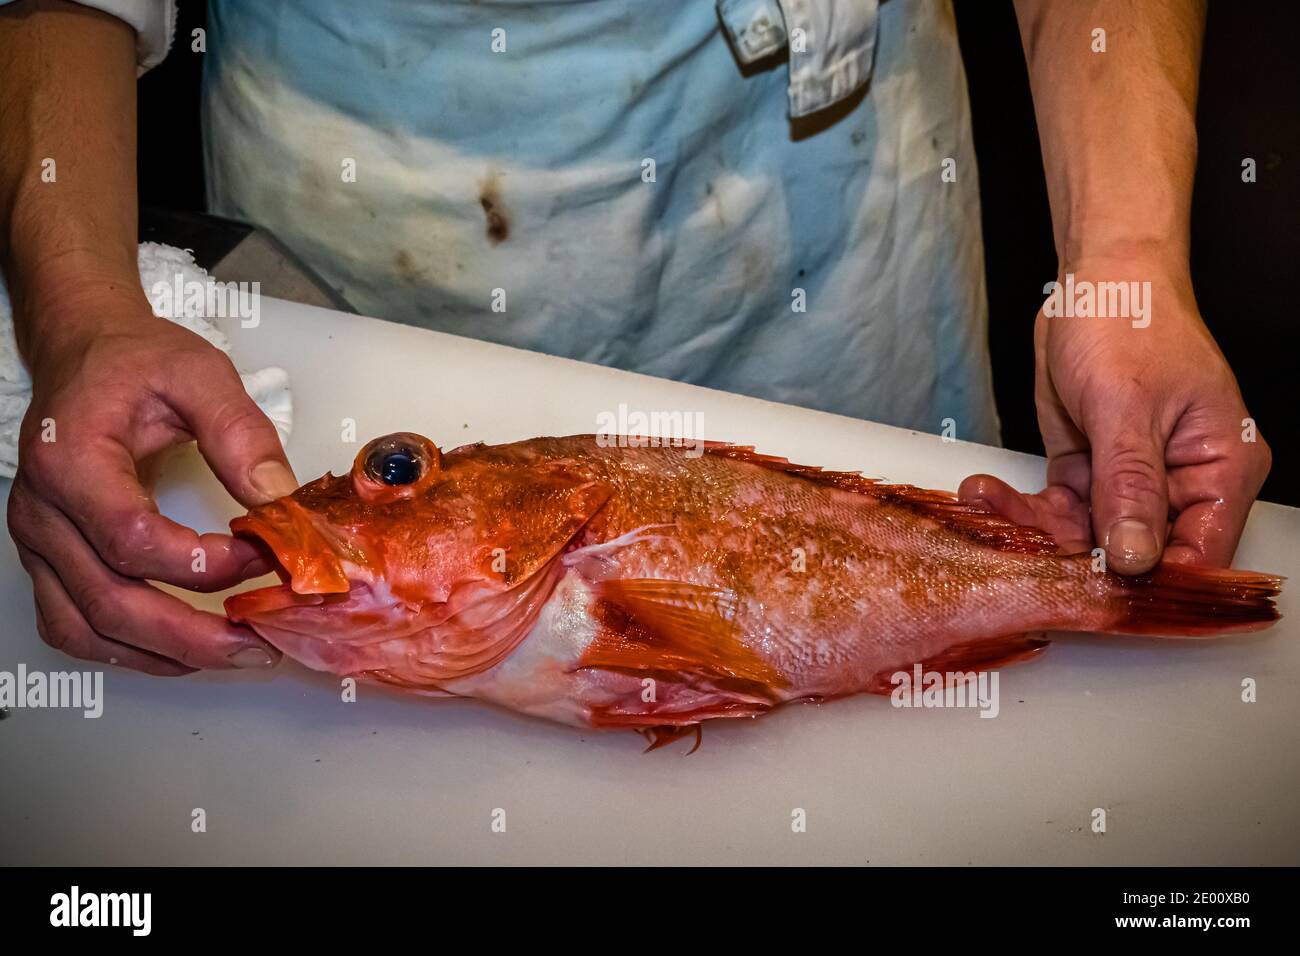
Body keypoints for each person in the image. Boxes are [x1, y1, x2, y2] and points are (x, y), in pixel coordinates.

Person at [0, 0, 1270, 675]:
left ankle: (1057, 590)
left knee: (967, 514)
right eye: (394, 475)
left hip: (843, 194)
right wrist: (81, 307)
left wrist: (1128, 261)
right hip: (389, 177)